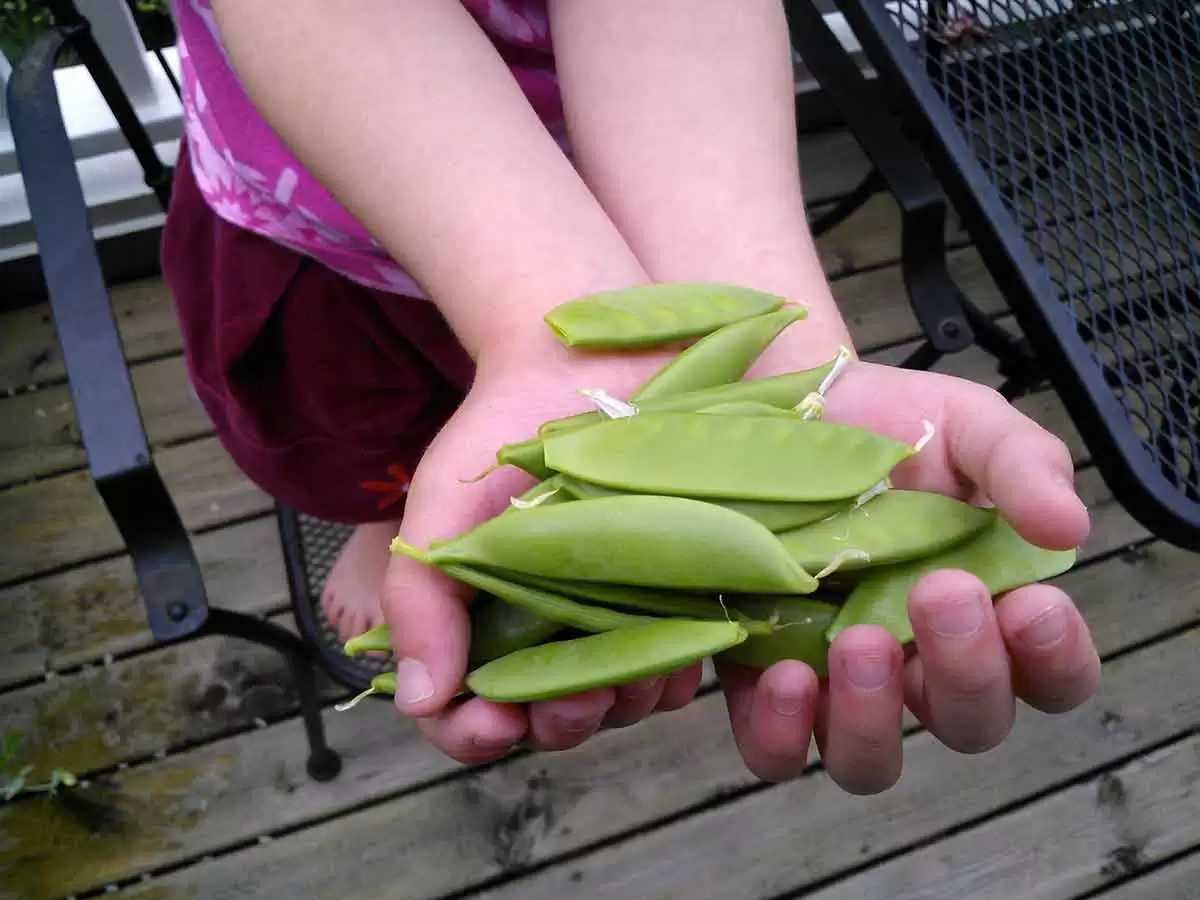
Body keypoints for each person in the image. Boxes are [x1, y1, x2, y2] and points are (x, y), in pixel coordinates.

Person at [161, 0, 1101, 794]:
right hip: (324, 215)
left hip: (622, 183)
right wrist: (542, 317)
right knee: (361, 441)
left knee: (491, 461)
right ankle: (387, 524)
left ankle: (432, 530)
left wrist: (760, 340)